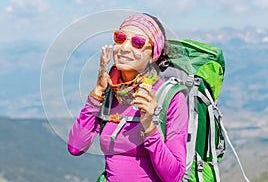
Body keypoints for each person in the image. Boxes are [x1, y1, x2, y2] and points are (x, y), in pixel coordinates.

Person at [68, 13, 188, 182]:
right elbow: (75, 147)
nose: (125, 47)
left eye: (138, 43)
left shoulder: (171, 98)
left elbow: (174, 177)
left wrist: (149, 127)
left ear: (154, 54)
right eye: (120, 37)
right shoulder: (110, 93)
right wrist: (97, 91)